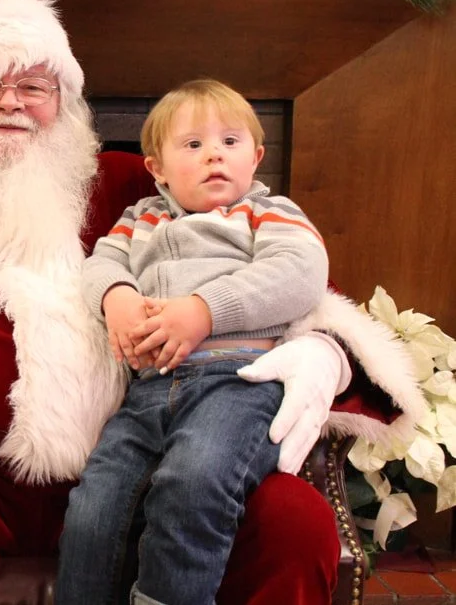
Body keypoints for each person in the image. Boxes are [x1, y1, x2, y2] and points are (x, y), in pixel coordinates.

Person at [0, 0, 425, 604]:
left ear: (66, 103)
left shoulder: (131, 188)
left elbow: (280, 260)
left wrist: (322, 349)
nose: (10, 102)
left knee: (292, 519)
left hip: (156, 463)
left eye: (34, 85)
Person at [56, 79, 331, 604]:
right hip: (148, 391)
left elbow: (300, 272)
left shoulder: (268, 213)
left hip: (237, 382)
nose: (215, 158)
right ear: (156, 168)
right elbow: (100, 266)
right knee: (94, 506)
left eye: (231, 142)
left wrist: (204, 311)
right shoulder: (140, 220)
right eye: (193, 145)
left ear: (256, 157)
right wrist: (117, 297)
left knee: (193, 481)